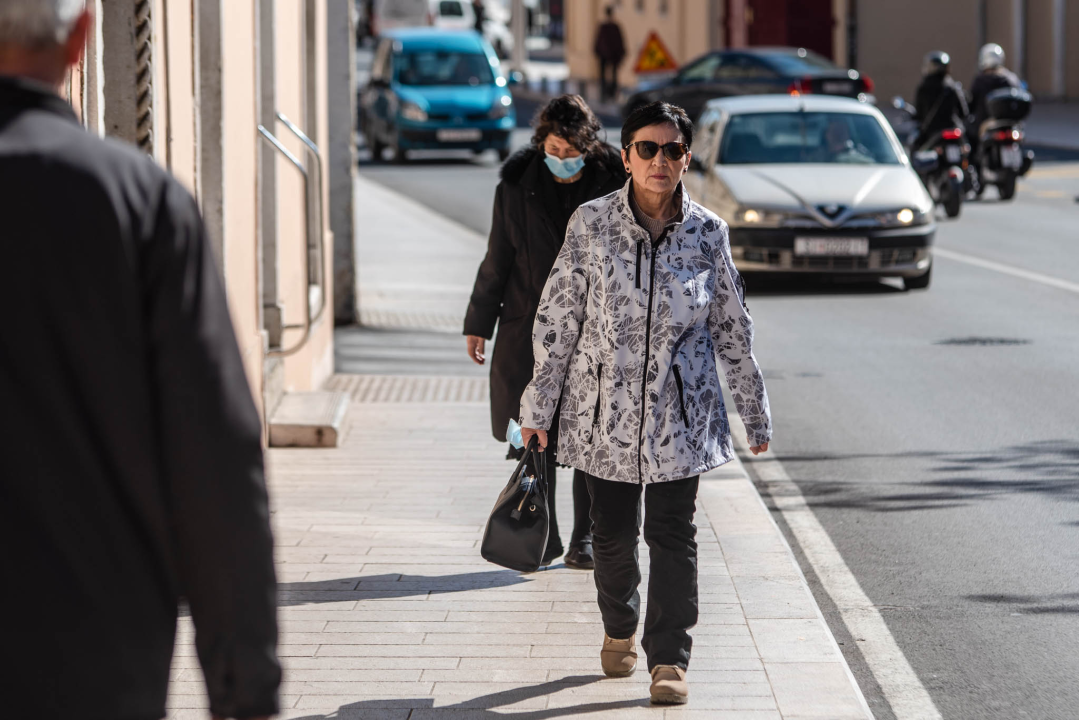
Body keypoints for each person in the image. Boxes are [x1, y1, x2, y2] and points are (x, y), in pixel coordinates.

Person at [0, 2, 279, 719]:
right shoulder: (141, 202)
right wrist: (244, 686)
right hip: (92, 648)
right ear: (80, 37)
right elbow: (212, 456)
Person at [518, 101, 772, 706]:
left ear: (686, 158)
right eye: (648, 148)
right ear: (626, 156)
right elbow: (558, 319)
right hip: (602, 415)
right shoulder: (591, 224)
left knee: (672, 534)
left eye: (673, 150)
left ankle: (669, 659)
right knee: (610, 538)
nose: (661, 160)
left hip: (680, 418)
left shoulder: (709, 233)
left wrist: (754, 412)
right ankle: (619, 624)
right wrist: (537, 407)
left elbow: (732, 329)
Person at [464, 95, 626, 570]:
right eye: (553, 149)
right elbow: (497, 259)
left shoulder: (615, 183)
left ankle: (585, 539)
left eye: (571, 151)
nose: (561, 159)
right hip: (529, 330)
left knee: (590, 436)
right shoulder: (517, 186)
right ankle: (544, 535)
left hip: (596, 331)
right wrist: (478, 324)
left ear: (588, 146)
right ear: (541, 143)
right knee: (537, 437)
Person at [968, 42, 1022, 151]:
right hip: (1009, 123)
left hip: (986, 123)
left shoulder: (980, 80)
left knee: (970, 137)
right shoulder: (1011, 78)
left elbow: (971, 104)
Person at [913, 50, 969, 150]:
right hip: (953, 129)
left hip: (932, 133)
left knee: (916, 150)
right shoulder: (952, 87)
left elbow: (919, 113)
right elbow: (964, 112)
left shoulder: (924, 88)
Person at [593, 6, 625, 102]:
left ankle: (609, 95)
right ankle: (607, 95)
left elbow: (599, 42)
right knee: (608, 76)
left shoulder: (609, 27)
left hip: (609, 55)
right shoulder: (610, 27)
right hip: (607, 55)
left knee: (610, 76)